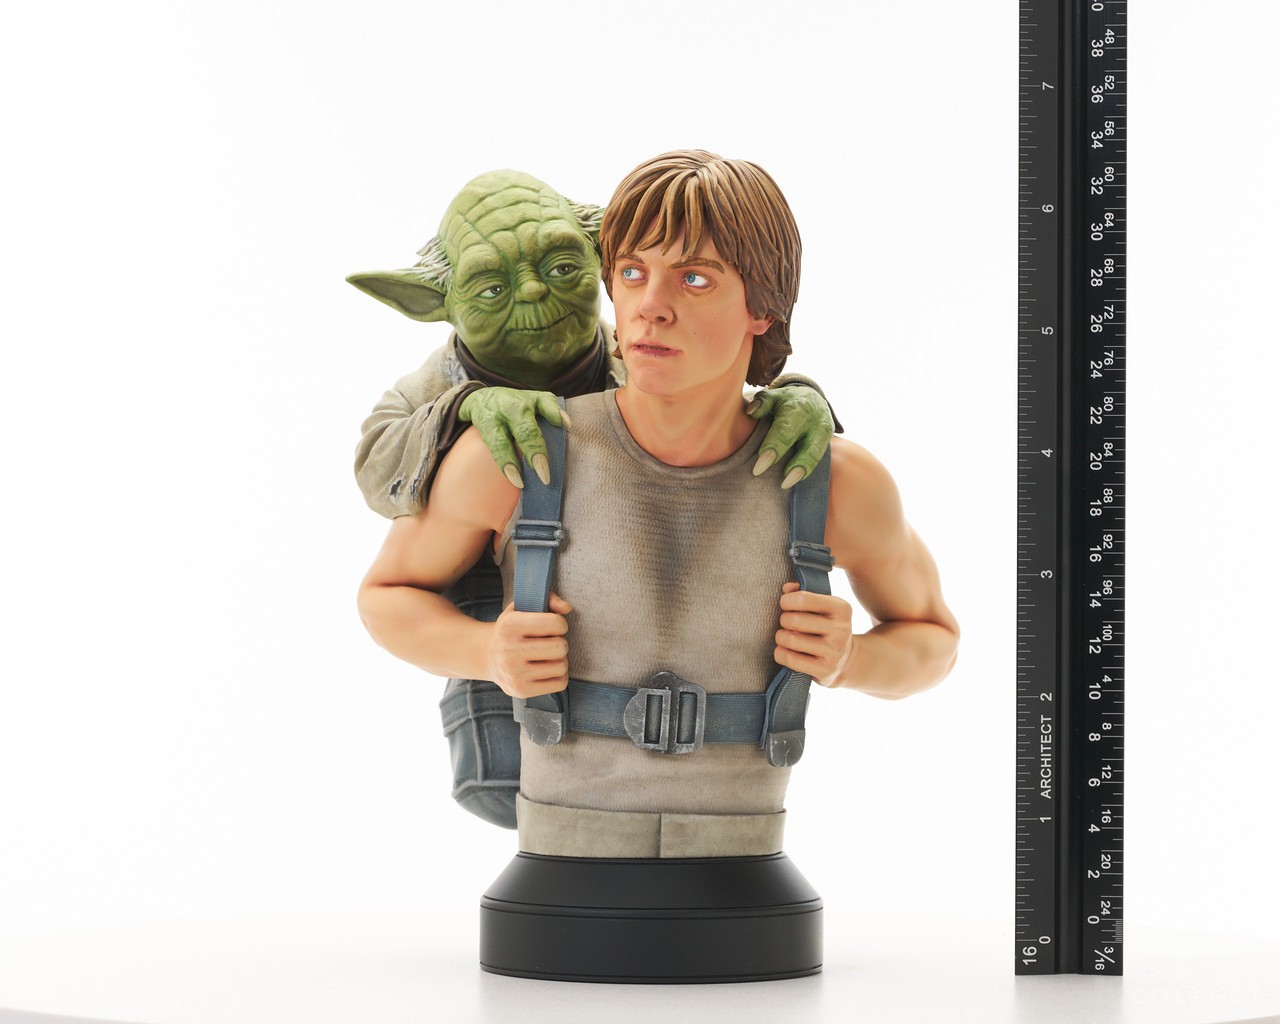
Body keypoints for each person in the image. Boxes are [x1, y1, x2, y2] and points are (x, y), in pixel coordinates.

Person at [358, 150, 959, 859]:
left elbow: (933, 641)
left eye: (695, 278)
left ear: (763, 305)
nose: (651, 306)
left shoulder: (834, 477)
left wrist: (849, 658)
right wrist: (484, 649)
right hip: (562, 844)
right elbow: (388, 593)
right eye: (632, 273)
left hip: (740, 852)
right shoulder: (509, 454)